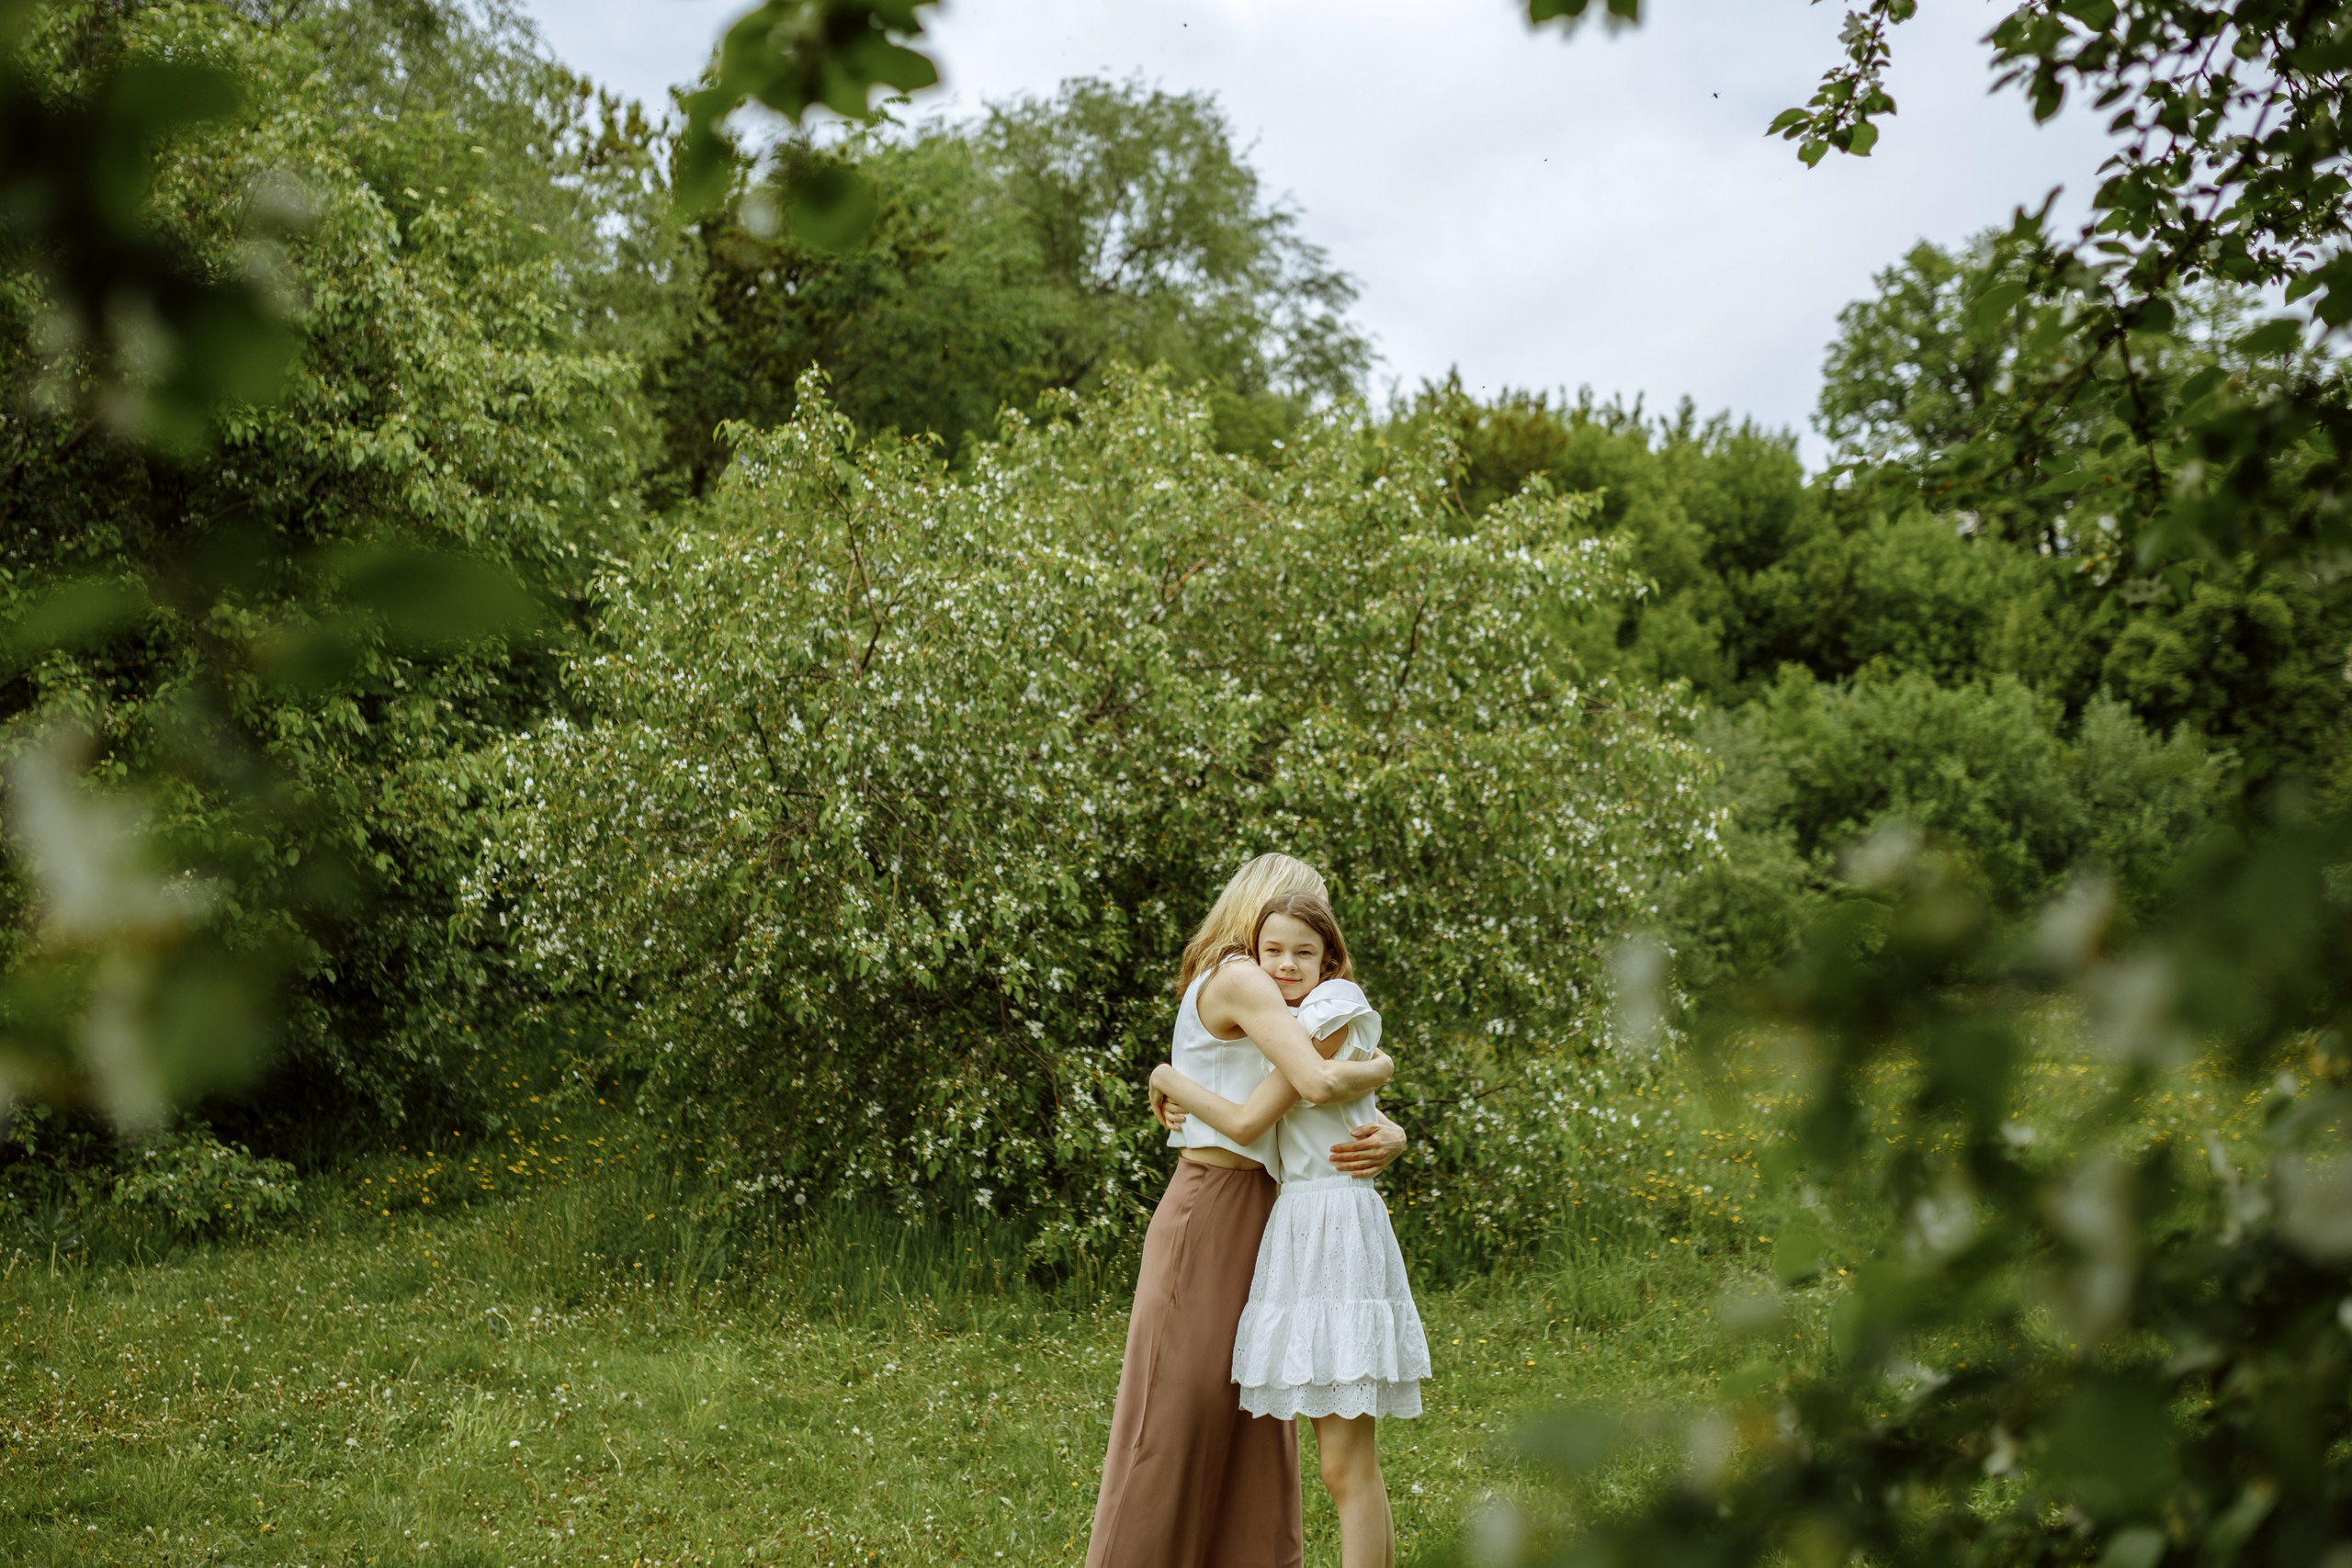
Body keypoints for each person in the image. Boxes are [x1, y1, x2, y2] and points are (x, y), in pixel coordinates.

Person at [1084, 853, 1407, 1568]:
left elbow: (1319, 1094)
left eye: (1309, 941)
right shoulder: (1239, 977)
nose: (1293, 957)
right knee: (1172, 1417)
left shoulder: (1276, 990)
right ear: (1261, 911)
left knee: (1254, 1424)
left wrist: (1390, 1119)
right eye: (1282, 935)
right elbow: (1307, 1083)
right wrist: (1163, 1075)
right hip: (1214, 1204)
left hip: (1270, 1211)